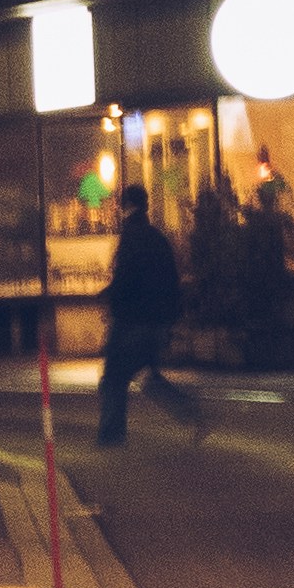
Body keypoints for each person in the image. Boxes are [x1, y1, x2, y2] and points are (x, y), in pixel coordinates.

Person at [95, 186, 205, 445]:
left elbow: (126, 279)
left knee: (113, 378)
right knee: (148, 376)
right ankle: (191, 412)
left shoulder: (130, 237)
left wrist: (109, 295)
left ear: (126, 206)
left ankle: (111, 435)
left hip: (132, 320)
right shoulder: (157, 237)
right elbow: (171, 280)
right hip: (158, 320)